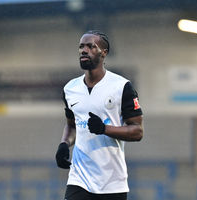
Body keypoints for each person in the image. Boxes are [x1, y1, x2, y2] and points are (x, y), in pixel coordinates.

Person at [55, 30, 144, 200]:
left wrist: (104, 129)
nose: (84, 50)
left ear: (104, 53)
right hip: (79, 178)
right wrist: (64, 144)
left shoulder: (122, 87)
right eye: (81, 46)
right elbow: (72, 125)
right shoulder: (70, 89)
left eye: (91, 46)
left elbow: (137, 131)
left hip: (112, 182)